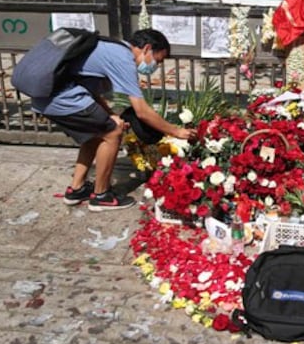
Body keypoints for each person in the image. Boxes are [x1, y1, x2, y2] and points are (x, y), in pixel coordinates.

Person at [31, 29, 196, 212]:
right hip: (60, 99)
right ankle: (101, 196)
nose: (156, 65)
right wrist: (176, 131)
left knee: (97, 131)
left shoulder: (111, 50)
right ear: (147, 49)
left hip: (48, 97)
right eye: (158, 60)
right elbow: (141, 111)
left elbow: (90, 90)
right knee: (112, 132)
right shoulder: (123, 59)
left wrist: (110, 114)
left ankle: (76, 189)